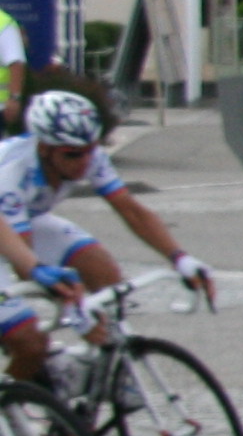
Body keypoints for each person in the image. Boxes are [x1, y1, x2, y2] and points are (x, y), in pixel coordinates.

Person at [0, 90, 223, 396]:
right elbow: (24, 263)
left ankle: (92, 393)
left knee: (104, 271)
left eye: (91, 149)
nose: (85, 161)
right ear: (44, 149)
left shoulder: (87, 156)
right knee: (29, 342)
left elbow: (132, 211)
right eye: (72, 154)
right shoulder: (11, 173)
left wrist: (180, 258)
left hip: (24, 223)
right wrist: (73, 313)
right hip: (8, 235)